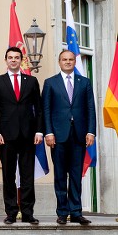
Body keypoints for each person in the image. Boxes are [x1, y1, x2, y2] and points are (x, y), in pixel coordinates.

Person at [0, 46, 42, 225]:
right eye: (10, 57)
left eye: (16, 57)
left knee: (27, 175)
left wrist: (39, 131)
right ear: (6, 61)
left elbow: (39, 109)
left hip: (28, 135)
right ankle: (11, 212)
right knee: (8, 175)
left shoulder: (31, 81)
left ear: (21, 60)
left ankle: (27, 212)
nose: (13, 60)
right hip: (6, 135)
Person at [42, 49, 96, 225]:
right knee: (59, 175)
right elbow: (46, 110)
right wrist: (48, 132)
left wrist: (90, 131)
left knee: (75, 175)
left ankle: (76, 212)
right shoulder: (50, 83)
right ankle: (62, 212)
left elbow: (90, 108)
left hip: (79, 135)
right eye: (64, 59)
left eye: (71, 59)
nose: (67, 62)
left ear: (74, 61)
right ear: (59, 62)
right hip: (57, 136)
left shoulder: (85, 82)